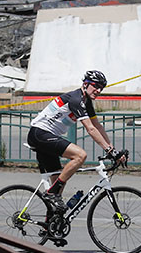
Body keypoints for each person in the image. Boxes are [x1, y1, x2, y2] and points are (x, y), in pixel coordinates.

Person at [27, 70, 119, 211]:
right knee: (80, 155)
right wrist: (108, 150)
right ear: (86, 84)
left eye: (101, 88)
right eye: (96, 86)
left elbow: (97, 126)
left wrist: (112, 150)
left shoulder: (86, 101)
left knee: (59, 184)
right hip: (40, 134)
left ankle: (51, 221)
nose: (99, 91)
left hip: (48, 136)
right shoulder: (76, 99)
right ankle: (51, 193)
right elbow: (90, 129)